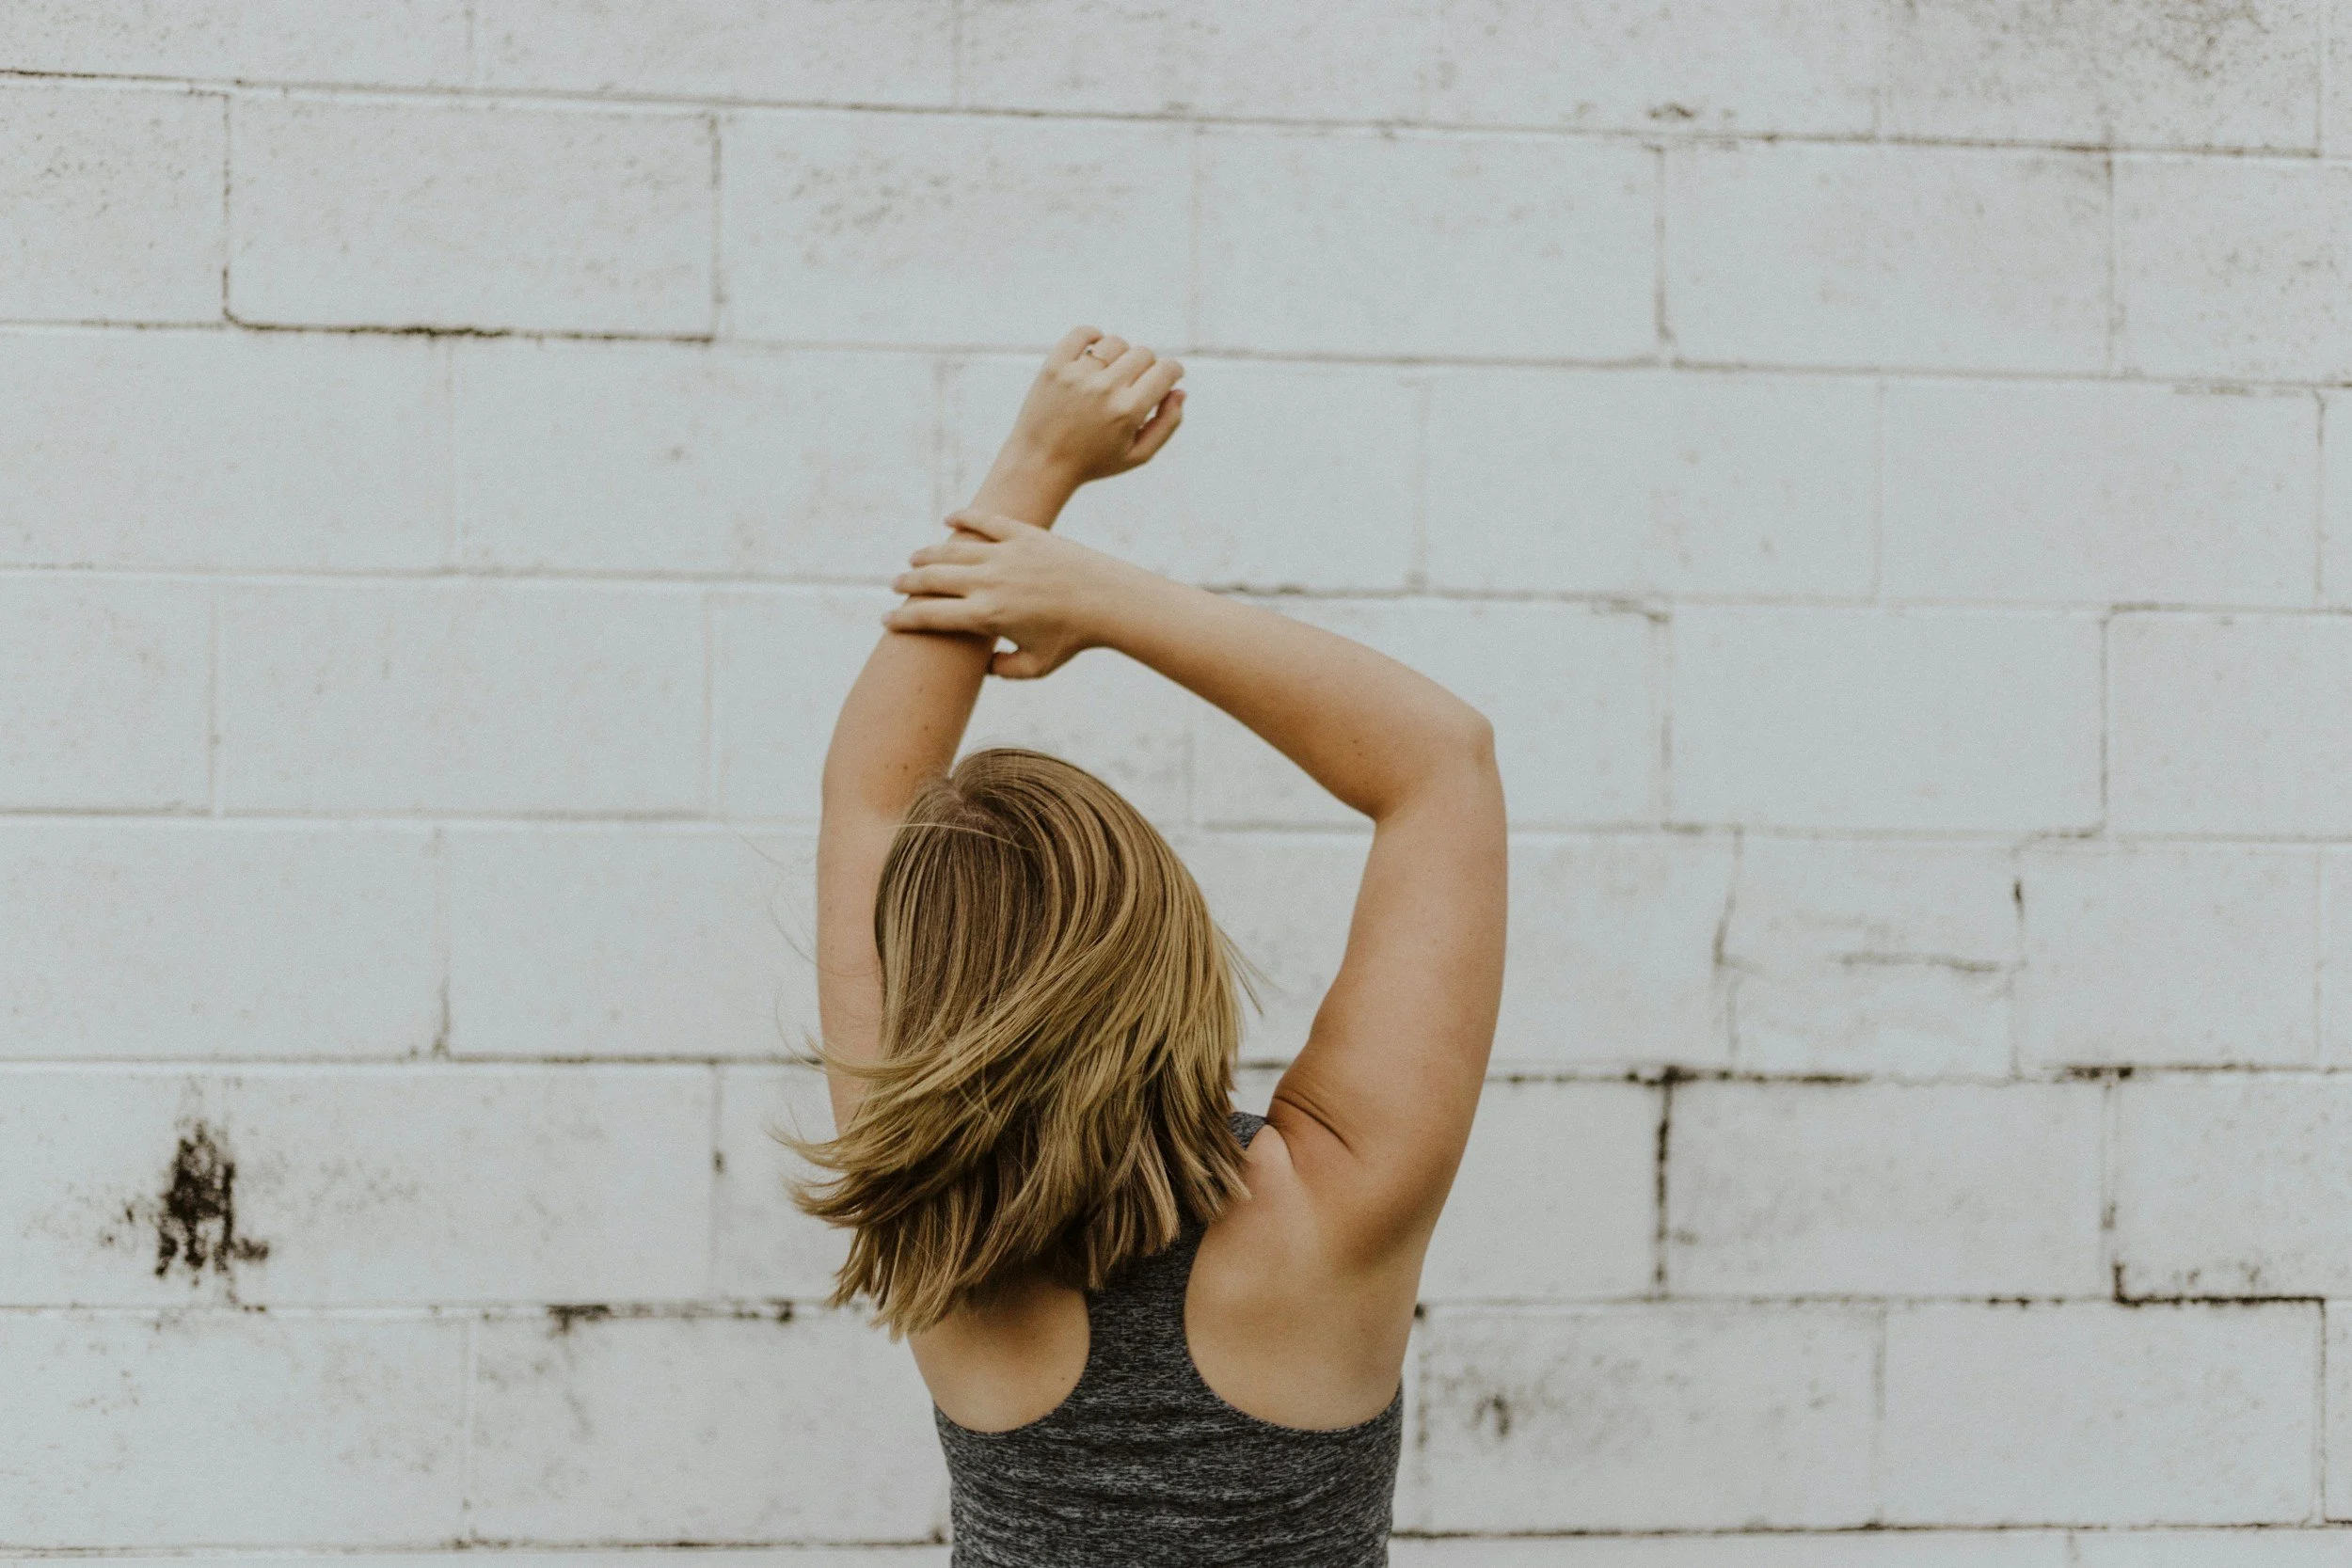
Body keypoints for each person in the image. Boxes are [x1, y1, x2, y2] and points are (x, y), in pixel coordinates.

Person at [794, 325, 1507, 1565]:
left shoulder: (928, 1214)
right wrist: (1096, 595)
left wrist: (1032, 464)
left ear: (925, 995)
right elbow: (1437, 763)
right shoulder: (1333, 1209)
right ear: (1166, 952)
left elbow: (870, 793)